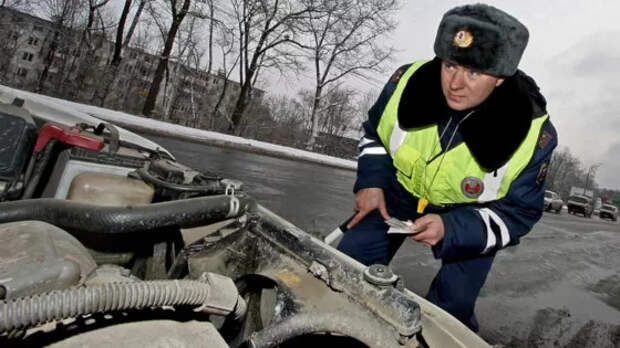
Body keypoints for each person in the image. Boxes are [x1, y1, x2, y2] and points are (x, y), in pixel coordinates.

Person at [337, 3, 557, 331]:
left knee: (452, 307)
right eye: (451, 65)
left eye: (473, 73)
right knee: (348, 265)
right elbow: (375, 135)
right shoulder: (405, 82)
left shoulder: (533, 133)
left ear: (499, 78)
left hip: (470, 215)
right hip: (399, 194)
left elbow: (517, 214)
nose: (455, 83)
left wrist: (451, 228)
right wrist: (371, 182)